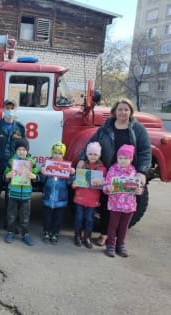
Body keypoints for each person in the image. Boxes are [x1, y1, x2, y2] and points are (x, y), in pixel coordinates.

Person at [77, 98, 151, 246]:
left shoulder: (139, 129)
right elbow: (91, 144)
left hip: (129, 173)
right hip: (109, 172)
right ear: (114, 112)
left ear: (130, 112)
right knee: (106, 203)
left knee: (126, 207)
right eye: (120, 109)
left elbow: (145, 152)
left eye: (126, 109)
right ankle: (105, 234)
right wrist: (82, 159)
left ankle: (118, 238)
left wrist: (142, 172)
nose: (123, 112)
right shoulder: (105, 128)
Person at [0, 99, 25, 232]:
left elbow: (23, 149)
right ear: (3, 109)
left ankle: (10, 224)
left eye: (12, 107)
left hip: (13, 167)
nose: (10, 110)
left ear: (16, 110)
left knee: (12, 197)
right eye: (7, 107)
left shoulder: (20, 128)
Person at [103, 144, 143, 258]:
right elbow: (106, 185)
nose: (123, 160)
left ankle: (120, 244)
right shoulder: (112, 170)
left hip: (129, 205)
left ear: (131, 159)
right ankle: (110, 245)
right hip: (115, 204)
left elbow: (138, 188)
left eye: (126, 158)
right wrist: (108, 188)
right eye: (120, 158)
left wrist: (139, 190)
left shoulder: (134, 172)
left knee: (124, 226)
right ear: (117, 158)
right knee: (113, 226)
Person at [4, 138, 38, 246]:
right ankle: (10, 231)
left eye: (24, 149)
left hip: (26, 195)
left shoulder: (31, 162)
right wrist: (7, 176)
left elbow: (38, 176)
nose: (21, 152)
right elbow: (5, 175)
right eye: (19, 149)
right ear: (15, 151)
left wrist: (34, 176)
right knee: (11, 215)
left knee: (25, 217)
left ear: (27, 151)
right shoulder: (11, 162)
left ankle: (25, 234)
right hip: (13, 193)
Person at [72, 142, 107, 248]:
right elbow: (75, 183)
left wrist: (104, 182)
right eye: (90, 154)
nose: (92, 156)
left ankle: (87, 237)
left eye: (95, 154)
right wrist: (74, 184)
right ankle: (77, 235)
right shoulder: (82, 166)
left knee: (89, 219)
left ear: (99, 155)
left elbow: (104, 186)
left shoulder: (102, 169)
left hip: (93, 200)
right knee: (79, 217)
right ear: (87, 154)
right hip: (80, 198)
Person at [40, 141, 75, 245]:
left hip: (61, 199)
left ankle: (55, 233)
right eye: (55, 152)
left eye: (60, 153)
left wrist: (72, 174)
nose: (57, 155)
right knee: (47, 218)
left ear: (63, 154)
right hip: (48, 198)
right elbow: (42, 180)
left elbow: (69, 182)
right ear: (52, 153)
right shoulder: (47, 164)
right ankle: (46, 232)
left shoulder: (66, 166)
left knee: (58, 219)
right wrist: (42, 172)